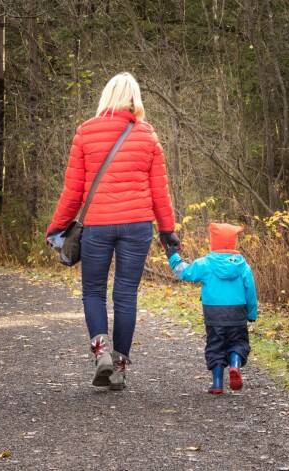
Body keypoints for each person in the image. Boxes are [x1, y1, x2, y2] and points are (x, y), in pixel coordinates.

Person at [46, 72, 181, 391]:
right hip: (137, 226)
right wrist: (167, 231)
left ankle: (101, 351)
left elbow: (73, 191)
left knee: (93, 290)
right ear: (135, 99)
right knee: (125, 294)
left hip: (98, 224)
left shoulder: (85, 132)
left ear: (106, 97)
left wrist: (57, 226)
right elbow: (160, 191)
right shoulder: (147, 135)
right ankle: (119, 368)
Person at [166, 223, 257, 393]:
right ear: (233, 242)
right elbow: (250, 291)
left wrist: (173, 256)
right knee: (238, 342)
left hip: (214, 314)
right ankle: (235, 365)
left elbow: (185, 272)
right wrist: (251, 313)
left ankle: (217, 384)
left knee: (215, 345)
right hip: (238, 314)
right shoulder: (243, 266)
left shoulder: (204, 263)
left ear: (213, 241)